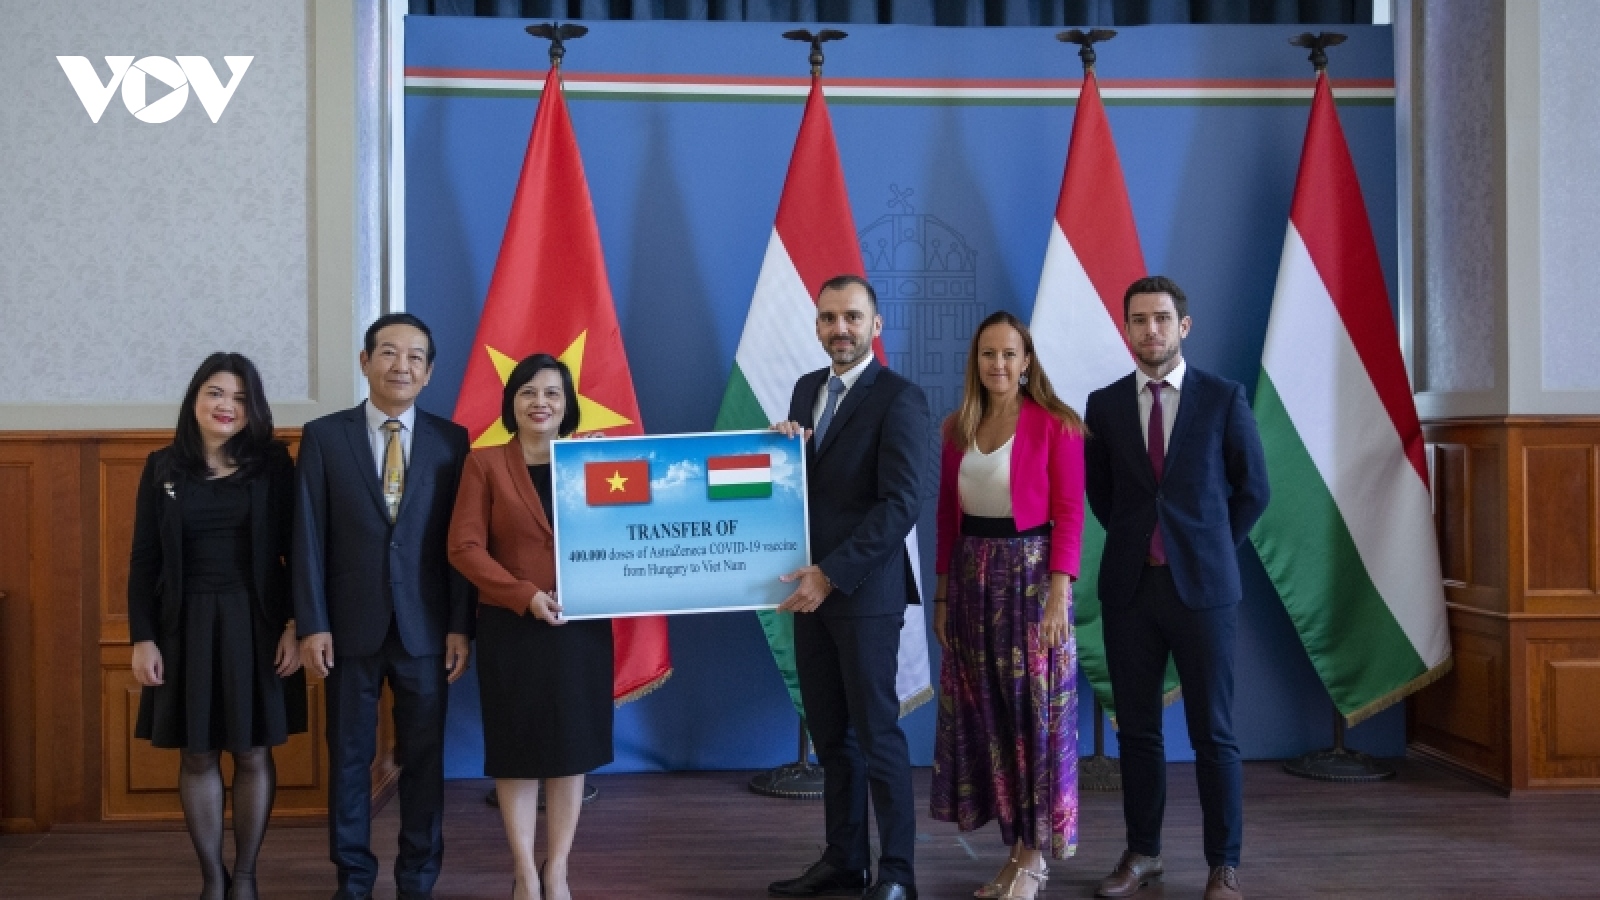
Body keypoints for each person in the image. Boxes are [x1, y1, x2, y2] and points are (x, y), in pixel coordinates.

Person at [1083, 277, 1268, 900]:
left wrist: (1207, 548)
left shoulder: (1223, 397)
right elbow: (1103, 496)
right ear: (1127, 329)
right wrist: (1142, 543)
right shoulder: (1104, 405)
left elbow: (1254, 489)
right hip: (1130, 590)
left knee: (1214, 733)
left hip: (1205, 590)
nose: (1151, 330)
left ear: (1183, 326)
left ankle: (1224, 865)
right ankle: (1144, 853)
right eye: (1139, 320)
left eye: (1162, 318)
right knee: (1138, 731)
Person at [293, 313, 473, 900]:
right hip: (347, 630)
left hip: (427, 630)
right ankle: (353, 880)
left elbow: (462, 543)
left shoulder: (452, 441)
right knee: (349, 760)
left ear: (429, 372)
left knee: (423, 760)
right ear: (365, 361)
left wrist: (460, 626)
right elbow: (307, 537)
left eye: (415, 356)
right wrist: (312, 623)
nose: (402, 365)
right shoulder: (325, 437)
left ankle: (417, 879)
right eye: (389, 353)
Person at [768, 274, 932, 900]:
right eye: (830, 317)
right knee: (832, 737)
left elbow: (900, 504)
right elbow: (805, 486)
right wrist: (779, 452)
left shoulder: (900, 398)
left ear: (875, 325)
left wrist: (832, 574)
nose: (841, 328)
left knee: (877, 736)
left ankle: (898, 874)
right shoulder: (806, 388)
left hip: (862, 595)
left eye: (853, 317)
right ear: (817, 325)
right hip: (806, 593)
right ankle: (845, 861)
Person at [128, 352, 307, 900]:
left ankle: (246, 875)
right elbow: (144, 561)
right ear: (195, 400)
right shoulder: (162, 467)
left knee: (252, 751)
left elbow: (298, 552)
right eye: (216, 393)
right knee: (197, 752)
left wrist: (296, 624)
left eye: (240, 398)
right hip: (182, 627)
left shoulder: (274, 465)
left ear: (254, 409)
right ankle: (212, 878)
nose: (227, 406)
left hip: (258, 624)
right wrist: (143, 637)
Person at [929, 311, 1086, 900]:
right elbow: (947, 519)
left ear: (1026, 362)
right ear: (976, 361)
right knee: (990, 720)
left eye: (1009, 353)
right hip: (972, 584)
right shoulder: (957, 427)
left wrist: (1058, 595)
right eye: (987, 353)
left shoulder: (1056, 424)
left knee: (1032, 721)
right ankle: (1014, 852)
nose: (998, 363)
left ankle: (1035, 860)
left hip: (1032, 584)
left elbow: (1069, 514)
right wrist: (942, 595)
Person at [447, 354, 613, 900]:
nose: (540, 402)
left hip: (580, 628)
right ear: (512, 402)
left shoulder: (593, 461)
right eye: (527, 392)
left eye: (552, 393)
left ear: (568, 406)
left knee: (570, 753)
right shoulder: (484, 464)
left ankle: (557, 869)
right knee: (516, 753)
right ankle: (523, 871)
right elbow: (464, 547)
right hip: (513, 627)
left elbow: (628, 532)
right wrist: (526, 596)